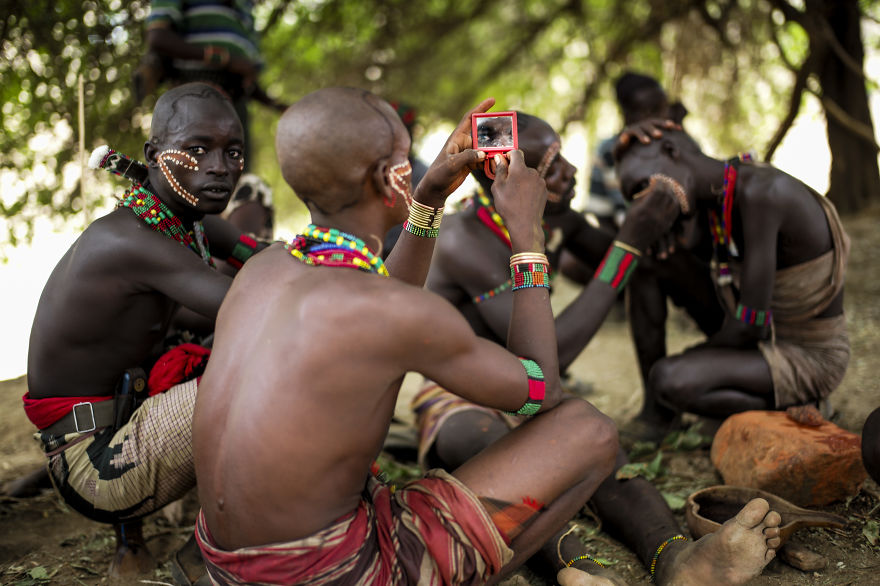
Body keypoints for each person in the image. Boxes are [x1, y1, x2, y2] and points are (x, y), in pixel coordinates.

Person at [191, 87, 628, 585]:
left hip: (229, 569)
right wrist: (526, 236)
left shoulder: (265, 268)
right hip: (334, 574)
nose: (417, 166)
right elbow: (539, 390)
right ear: (384, 178)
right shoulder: (397, 312)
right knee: (587, 429)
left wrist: (427, 200)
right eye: (406, 160)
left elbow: (380, 299)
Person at [413, 112, 784, 585]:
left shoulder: (557, 218)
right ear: (501, 170)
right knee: (487, 448)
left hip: (534, 394)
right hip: (464, 395)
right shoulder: (465, 240)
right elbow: (546, 362)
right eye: (551, 161)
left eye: (564, 154)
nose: (569, 170)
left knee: (604, 451)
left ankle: (675, 560)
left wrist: (643, 205)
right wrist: (627, 244)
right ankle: (579, 571)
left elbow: (639, 267)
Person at [22, 82, 258, 579]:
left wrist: (318, 257)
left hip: (122, 420)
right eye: (197, 150)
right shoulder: (130, 240)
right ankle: (222, 548)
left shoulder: (190, 220)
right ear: (154, 156)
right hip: (92, 465)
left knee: (210, 341)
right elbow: (254, 304)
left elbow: (258, 259)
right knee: (263, 371)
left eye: (232, 151)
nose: (219, 166)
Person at [615, 128, 850, 434]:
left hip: (804, 356)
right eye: (636, 198)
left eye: (644, 186)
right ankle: (659, 415)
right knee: (649, 261)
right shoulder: (713, 201)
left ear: (672, 151)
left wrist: (693, 360)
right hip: (756, 336)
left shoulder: (762, 193)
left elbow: (752, 325)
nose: (645, 202)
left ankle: (800, 404)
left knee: (670, 378)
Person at [145, 0, 288, 167]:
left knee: (235, 173)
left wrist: (277, 105)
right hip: (193, 96)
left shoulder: (246, 8)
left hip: (236, 102)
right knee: (190, 171)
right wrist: (222, 59)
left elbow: (247, 74)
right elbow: (158, 38)